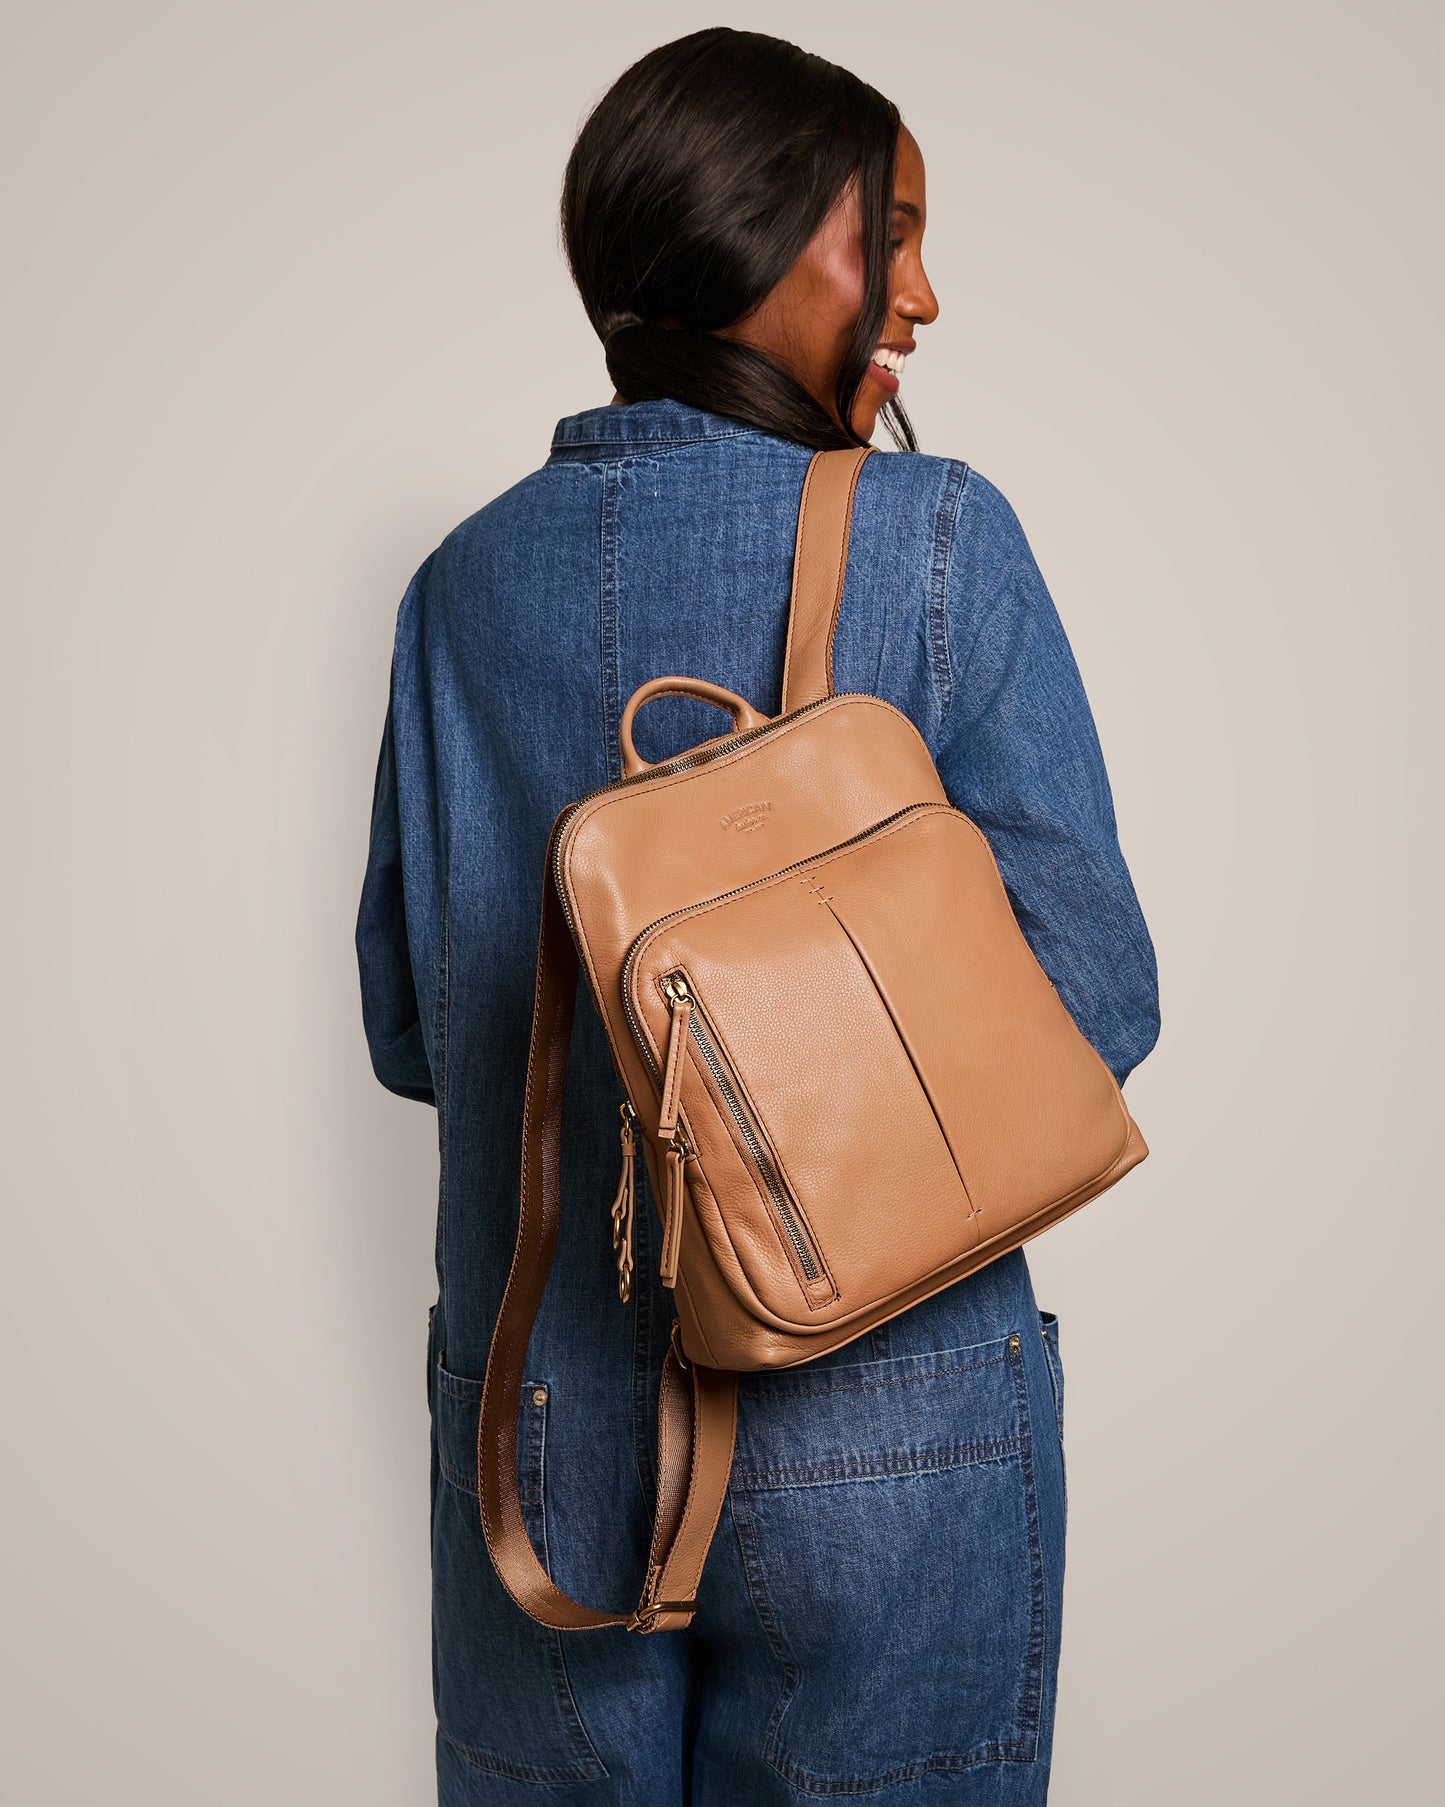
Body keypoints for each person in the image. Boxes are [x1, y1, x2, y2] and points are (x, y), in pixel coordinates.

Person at [356, 26, 1161, 1807]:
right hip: (896, 1419)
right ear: (757, 236)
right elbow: (1096, 996)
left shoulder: (456, 590)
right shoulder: (938, 539)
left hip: (539, 1439)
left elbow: (415, 1030)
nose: (926, 295)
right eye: (893, 233)